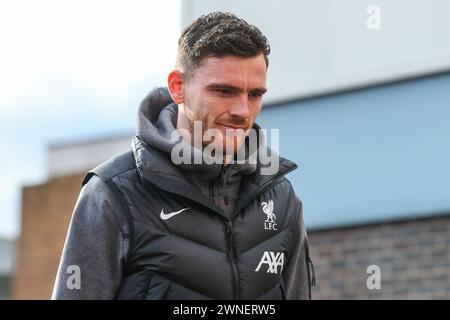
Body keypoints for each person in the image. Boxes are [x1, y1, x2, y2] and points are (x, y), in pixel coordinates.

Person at [52, 11, 315, 300]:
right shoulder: (112, 194)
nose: (242, 111)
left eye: (254, 94)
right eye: (224, 91)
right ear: (178, 87)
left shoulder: (283, 199)